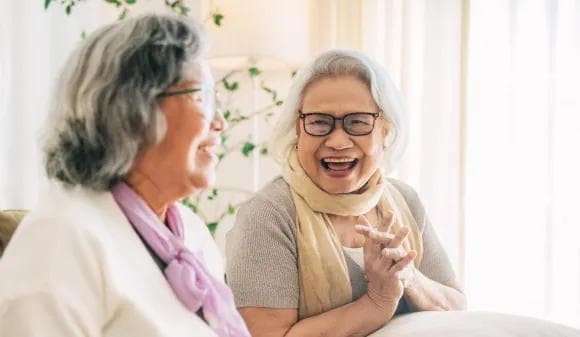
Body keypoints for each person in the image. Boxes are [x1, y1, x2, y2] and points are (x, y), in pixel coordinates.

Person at [0, 14, 249, 337]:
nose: (220, 122)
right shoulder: (62, 238)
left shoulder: (189, 231)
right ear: (134, 111)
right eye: (202, 98)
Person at [226, 49, 467, 337]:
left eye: (358, 122)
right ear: (297, 130)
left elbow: (456, 305)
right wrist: (377, 302)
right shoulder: (267, 214)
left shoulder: (405, 200)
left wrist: (409, 275)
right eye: (318, 122)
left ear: (385, 131)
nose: (338, 141)